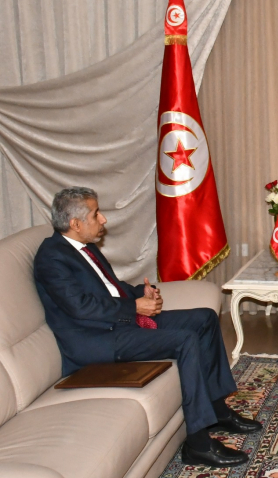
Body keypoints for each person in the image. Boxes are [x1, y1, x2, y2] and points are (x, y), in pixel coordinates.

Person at [34, 187, 260, 468]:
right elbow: (81, 307)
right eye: (96, 214)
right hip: (96, 340)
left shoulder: (85, 246)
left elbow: (111, 289)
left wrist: (141, 294)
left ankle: (218, 410)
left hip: (117, 323)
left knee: (204, 318)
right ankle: (198, 445)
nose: (103, 219)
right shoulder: (51, 258)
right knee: (185, 340)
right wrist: (134, 308)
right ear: (75, 224)